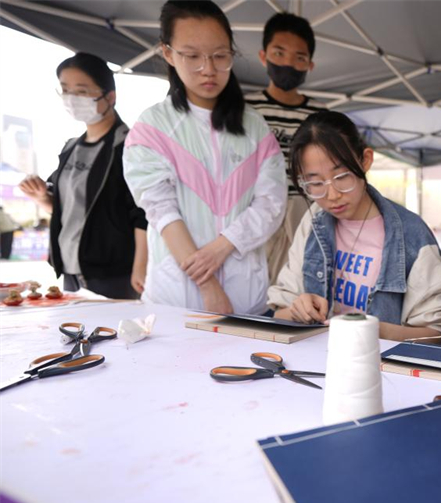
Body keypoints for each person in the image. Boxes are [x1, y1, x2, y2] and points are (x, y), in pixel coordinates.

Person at [123, 0, 287, 314]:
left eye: (220, 56)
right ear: (168, 53)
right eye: (193, 56)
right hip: (177, 301)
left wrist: (222, 246)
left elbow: (272, 202)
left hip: (248, 297)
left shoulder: (254, 126)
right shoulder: (152, 127)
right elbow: (162, 212)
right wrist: (209, 287)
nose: (208, 69)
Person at [268, 111, 441, 341]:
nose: (332, 195)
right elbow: (279, 313)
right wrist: (297, 310)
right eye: (315, 183)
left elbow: (440, 334)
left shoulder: (411, 234)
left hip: (380, 370)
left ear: (365, 160)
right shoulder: (314, 222)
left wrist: (375, 331)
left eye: (342, 177)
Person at [19, 52, 146, 298]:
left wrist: (141, 267)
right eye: (65, 90)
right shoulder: (71, 148)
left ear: (110, 97)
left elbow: (143, 213)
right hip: (72, 271)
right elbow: (70, 209)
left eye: (82, 91)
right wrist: (42, 198)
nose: (72, 99)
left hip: (117, 273)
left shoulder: (129, 146)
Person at [245, 13, 327, 286]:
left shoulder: (320, 116)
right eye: (279, 53)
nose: (288, 63)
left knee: (299, 287)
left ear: (310, 65)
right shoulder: (245, 110)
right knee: (255, 288)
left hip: (306, 211)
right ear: (263, 55)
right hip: (255, 210)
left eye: (299, 57)